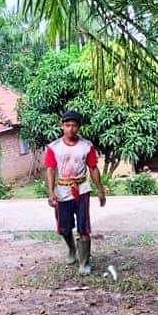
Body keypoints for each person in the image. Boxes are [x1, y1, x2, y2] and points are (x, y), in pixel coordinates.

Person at [44, 110, 106, 275]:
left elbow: (93, 168)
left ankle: (84, 263)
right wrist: (51, 192)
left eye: (74, 125)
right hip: (62, 190)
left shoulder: (86, 146)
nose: (70, 129)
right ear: (62, 126)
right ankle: (72, 249)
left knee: (83, 228)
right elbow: (50, 169)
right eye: (67, 125)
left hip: (82, 189)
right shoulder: (54, 147)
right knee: (64, 228)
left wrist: (100, 190)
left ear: (79, 127)